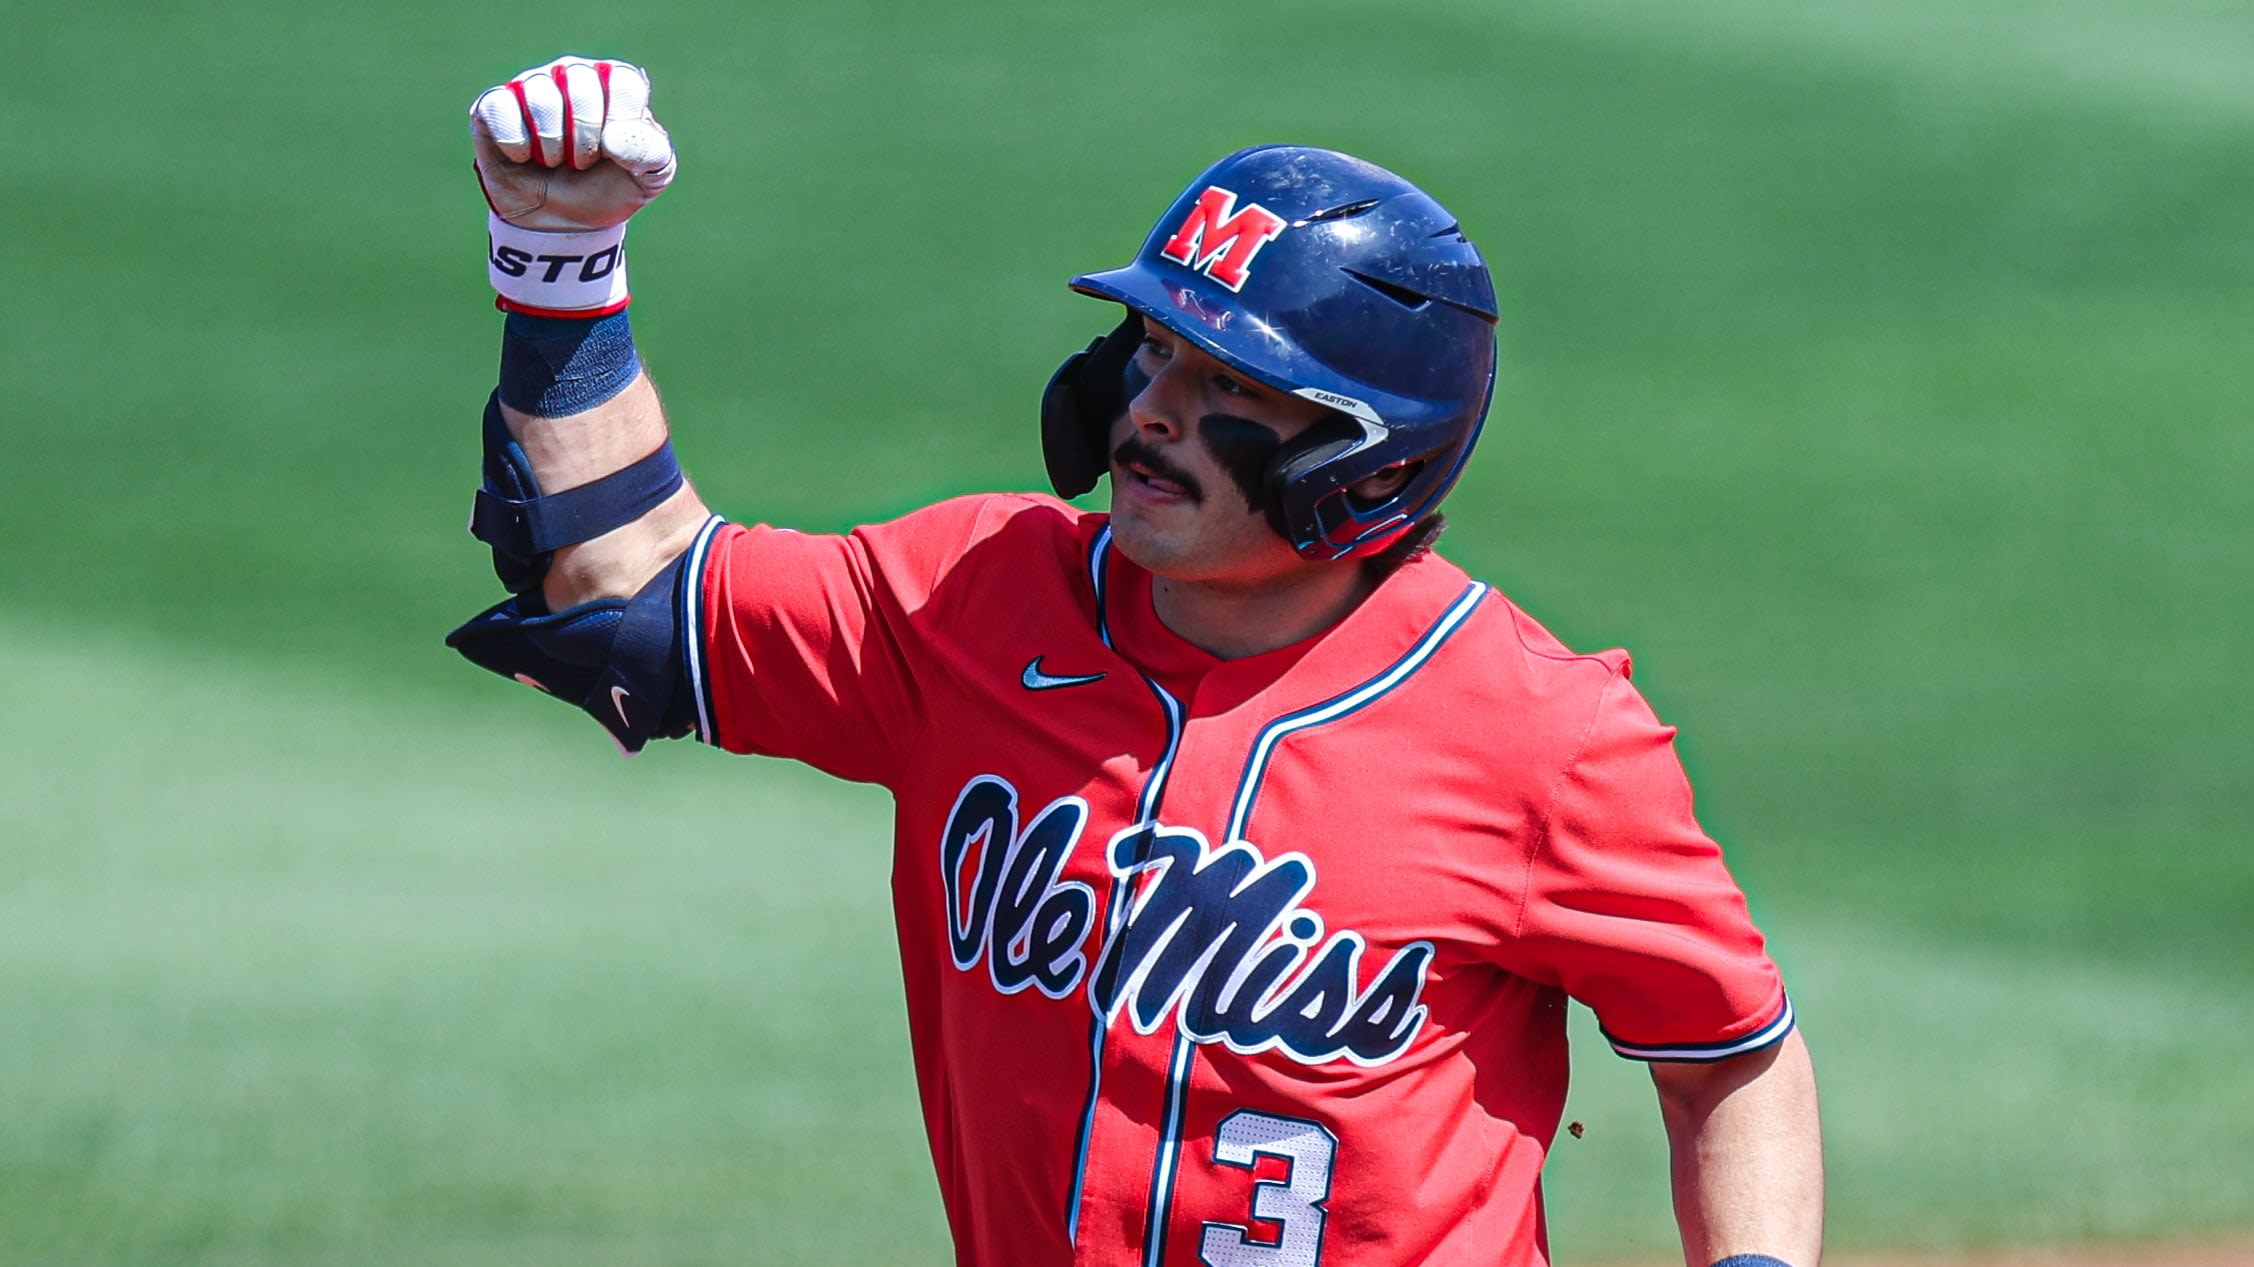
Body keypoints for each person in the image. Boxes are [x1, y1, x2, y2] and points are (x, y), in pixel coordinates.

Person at [447, 55, 1824, 1267]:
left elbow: (1728, 1055)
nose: (1151, 413)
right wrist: (559, 262)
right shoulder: (970, 599)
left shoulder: (1539, 735)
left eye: (1226, 385)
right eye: (1154, 353)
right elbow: (620, 592)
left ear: (1363, 455)